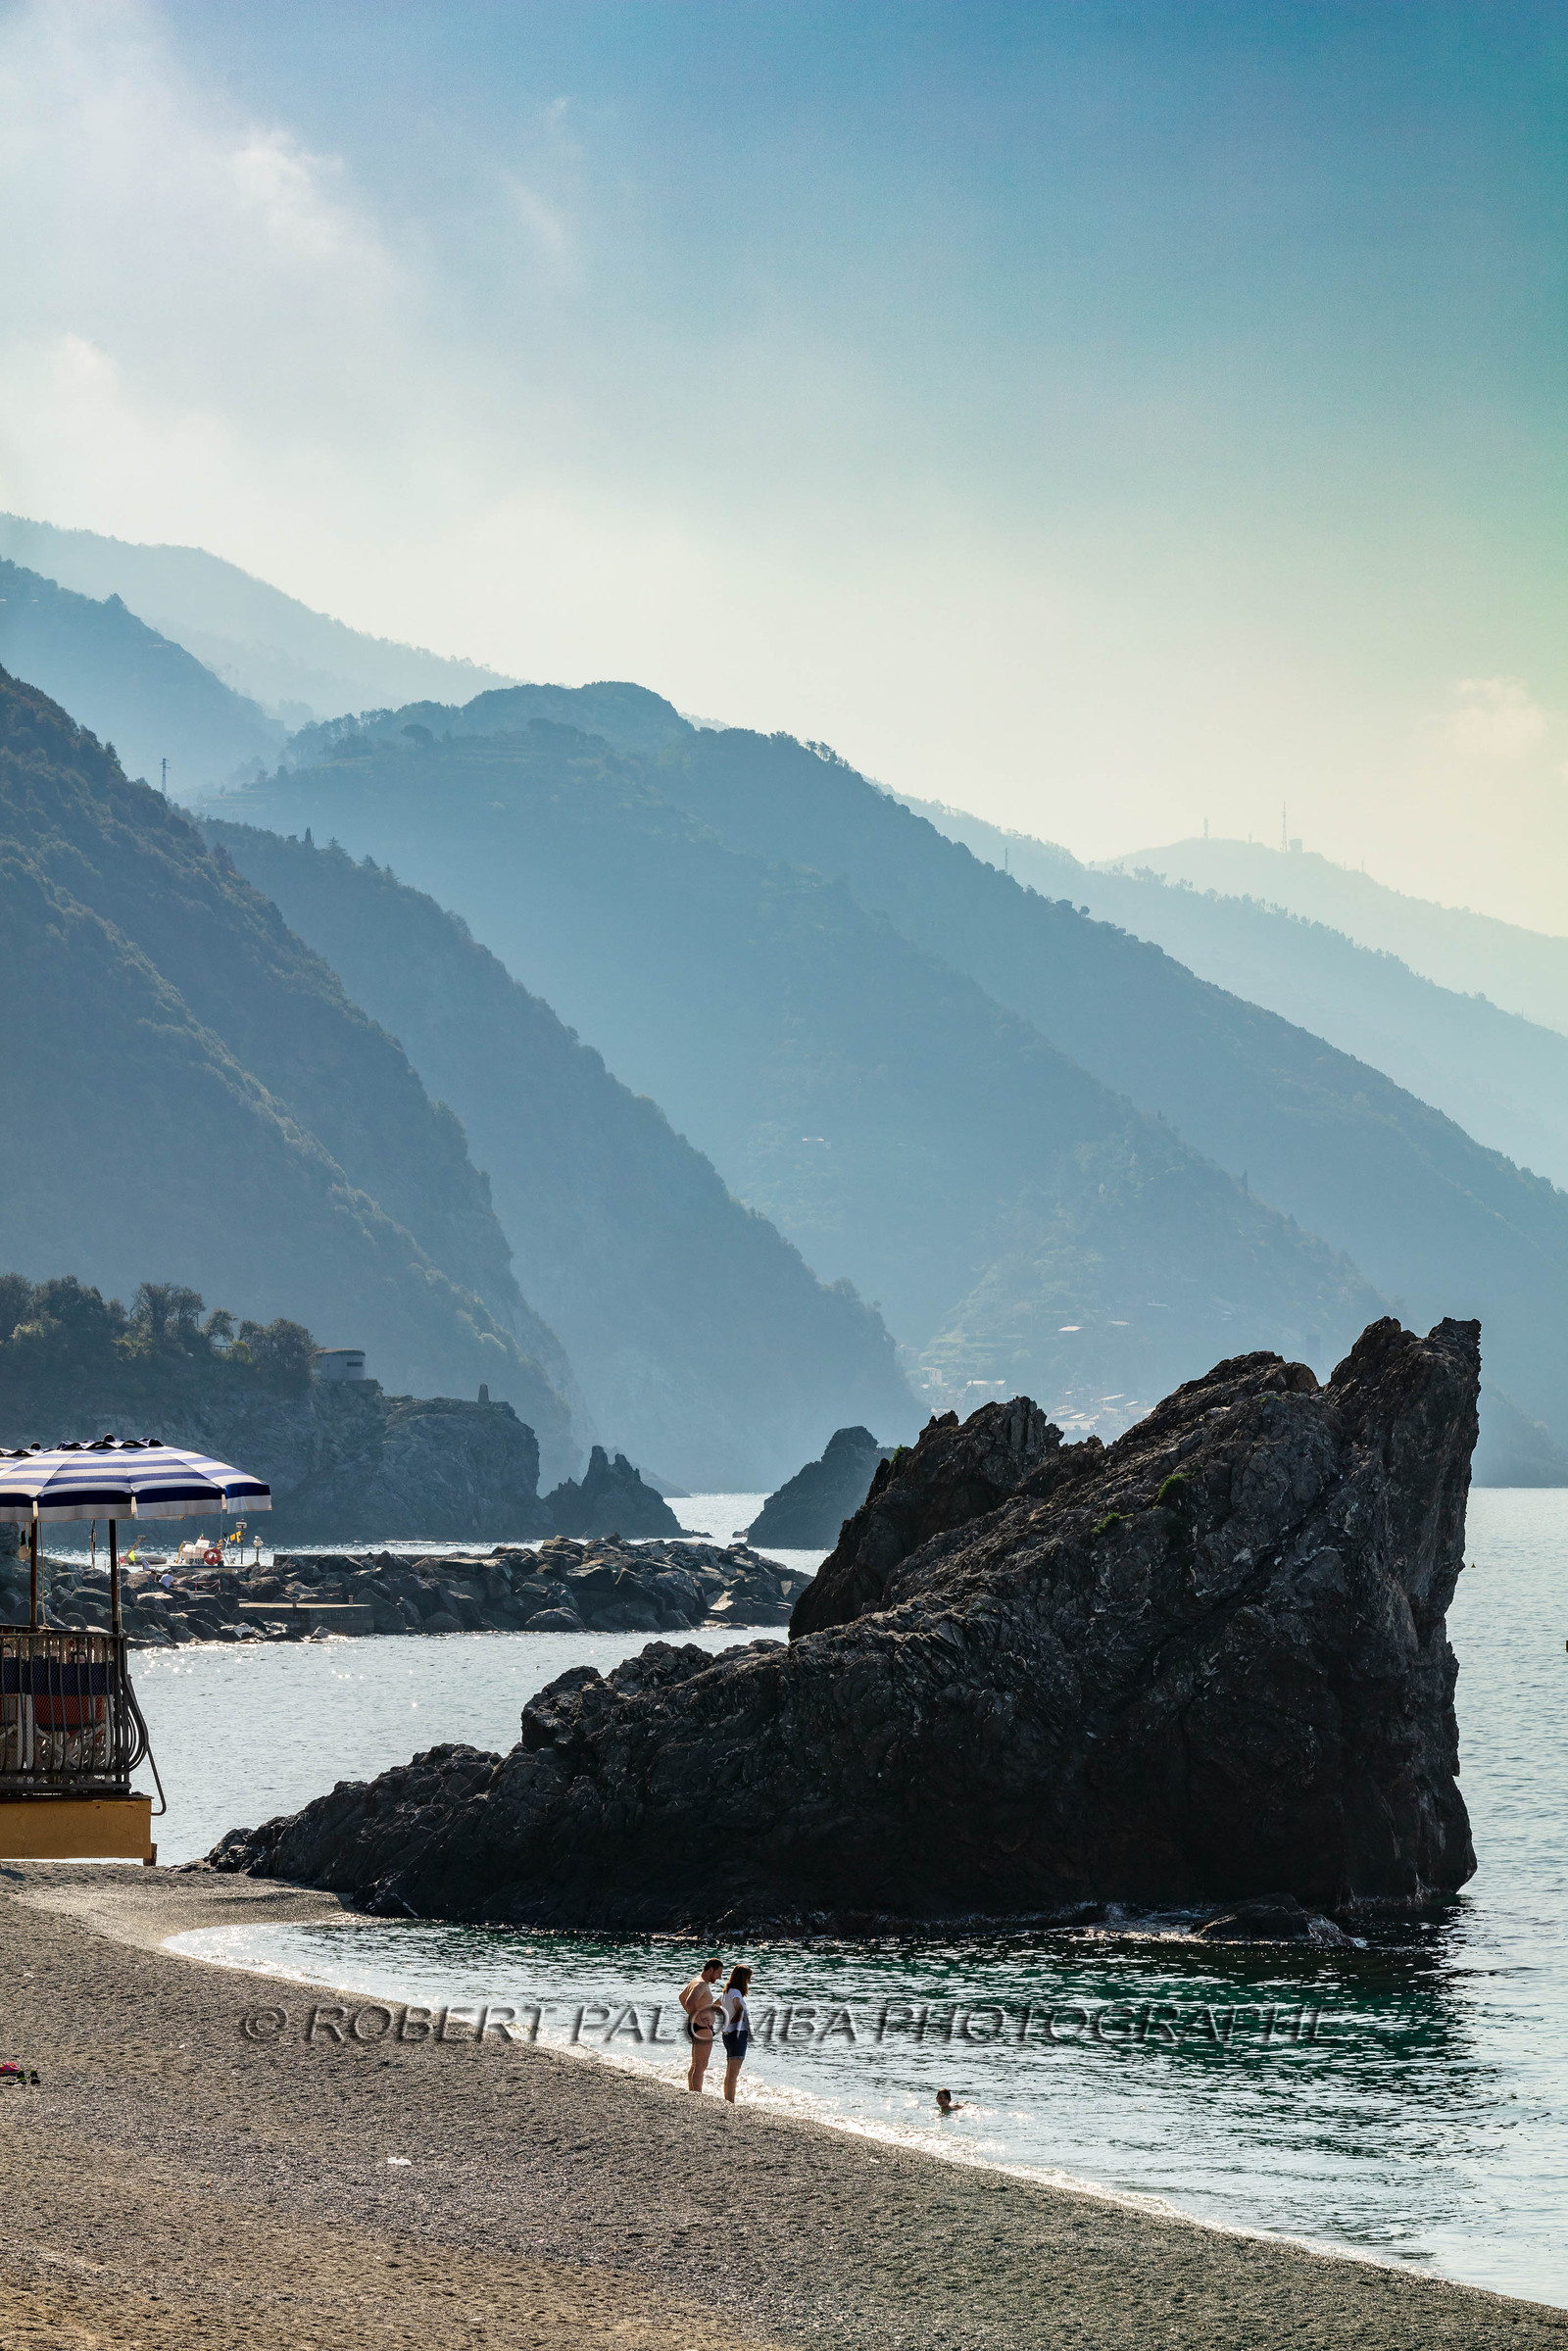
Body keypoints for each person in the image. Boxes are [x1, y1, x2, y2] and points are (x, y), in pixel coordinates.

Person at [680, 1957, 723, 2093]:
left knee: (695, 2064)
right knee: (701, 2065)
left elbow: (682, 1997)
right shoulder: (701, 1984)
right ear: (711, 1970)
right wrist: (699, 2020)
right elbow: (689, 2002)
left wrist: (693, 2017)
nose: (720, 1977)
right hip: (702, 2029)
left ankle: (693, 2092)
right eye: (718, 1973)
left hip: (696, 2027)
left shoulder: (696, 1981)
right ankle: (697, 2095)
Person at [718, 1965, 753, 2104]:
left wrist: (726, 2019)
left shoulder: (726, 1992)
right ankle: (730, 2102)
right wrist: (734, 2019)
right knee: (733, 2073)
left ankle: (728, 2100)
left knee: (730, 2071)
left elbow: (715, 2005)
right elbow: (738, 2007)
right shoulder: (736, 1993)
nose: (749, 1982)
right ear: (743, 1979)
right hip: (737, 2035)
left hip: (727, 2034)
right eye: (748, 1978)